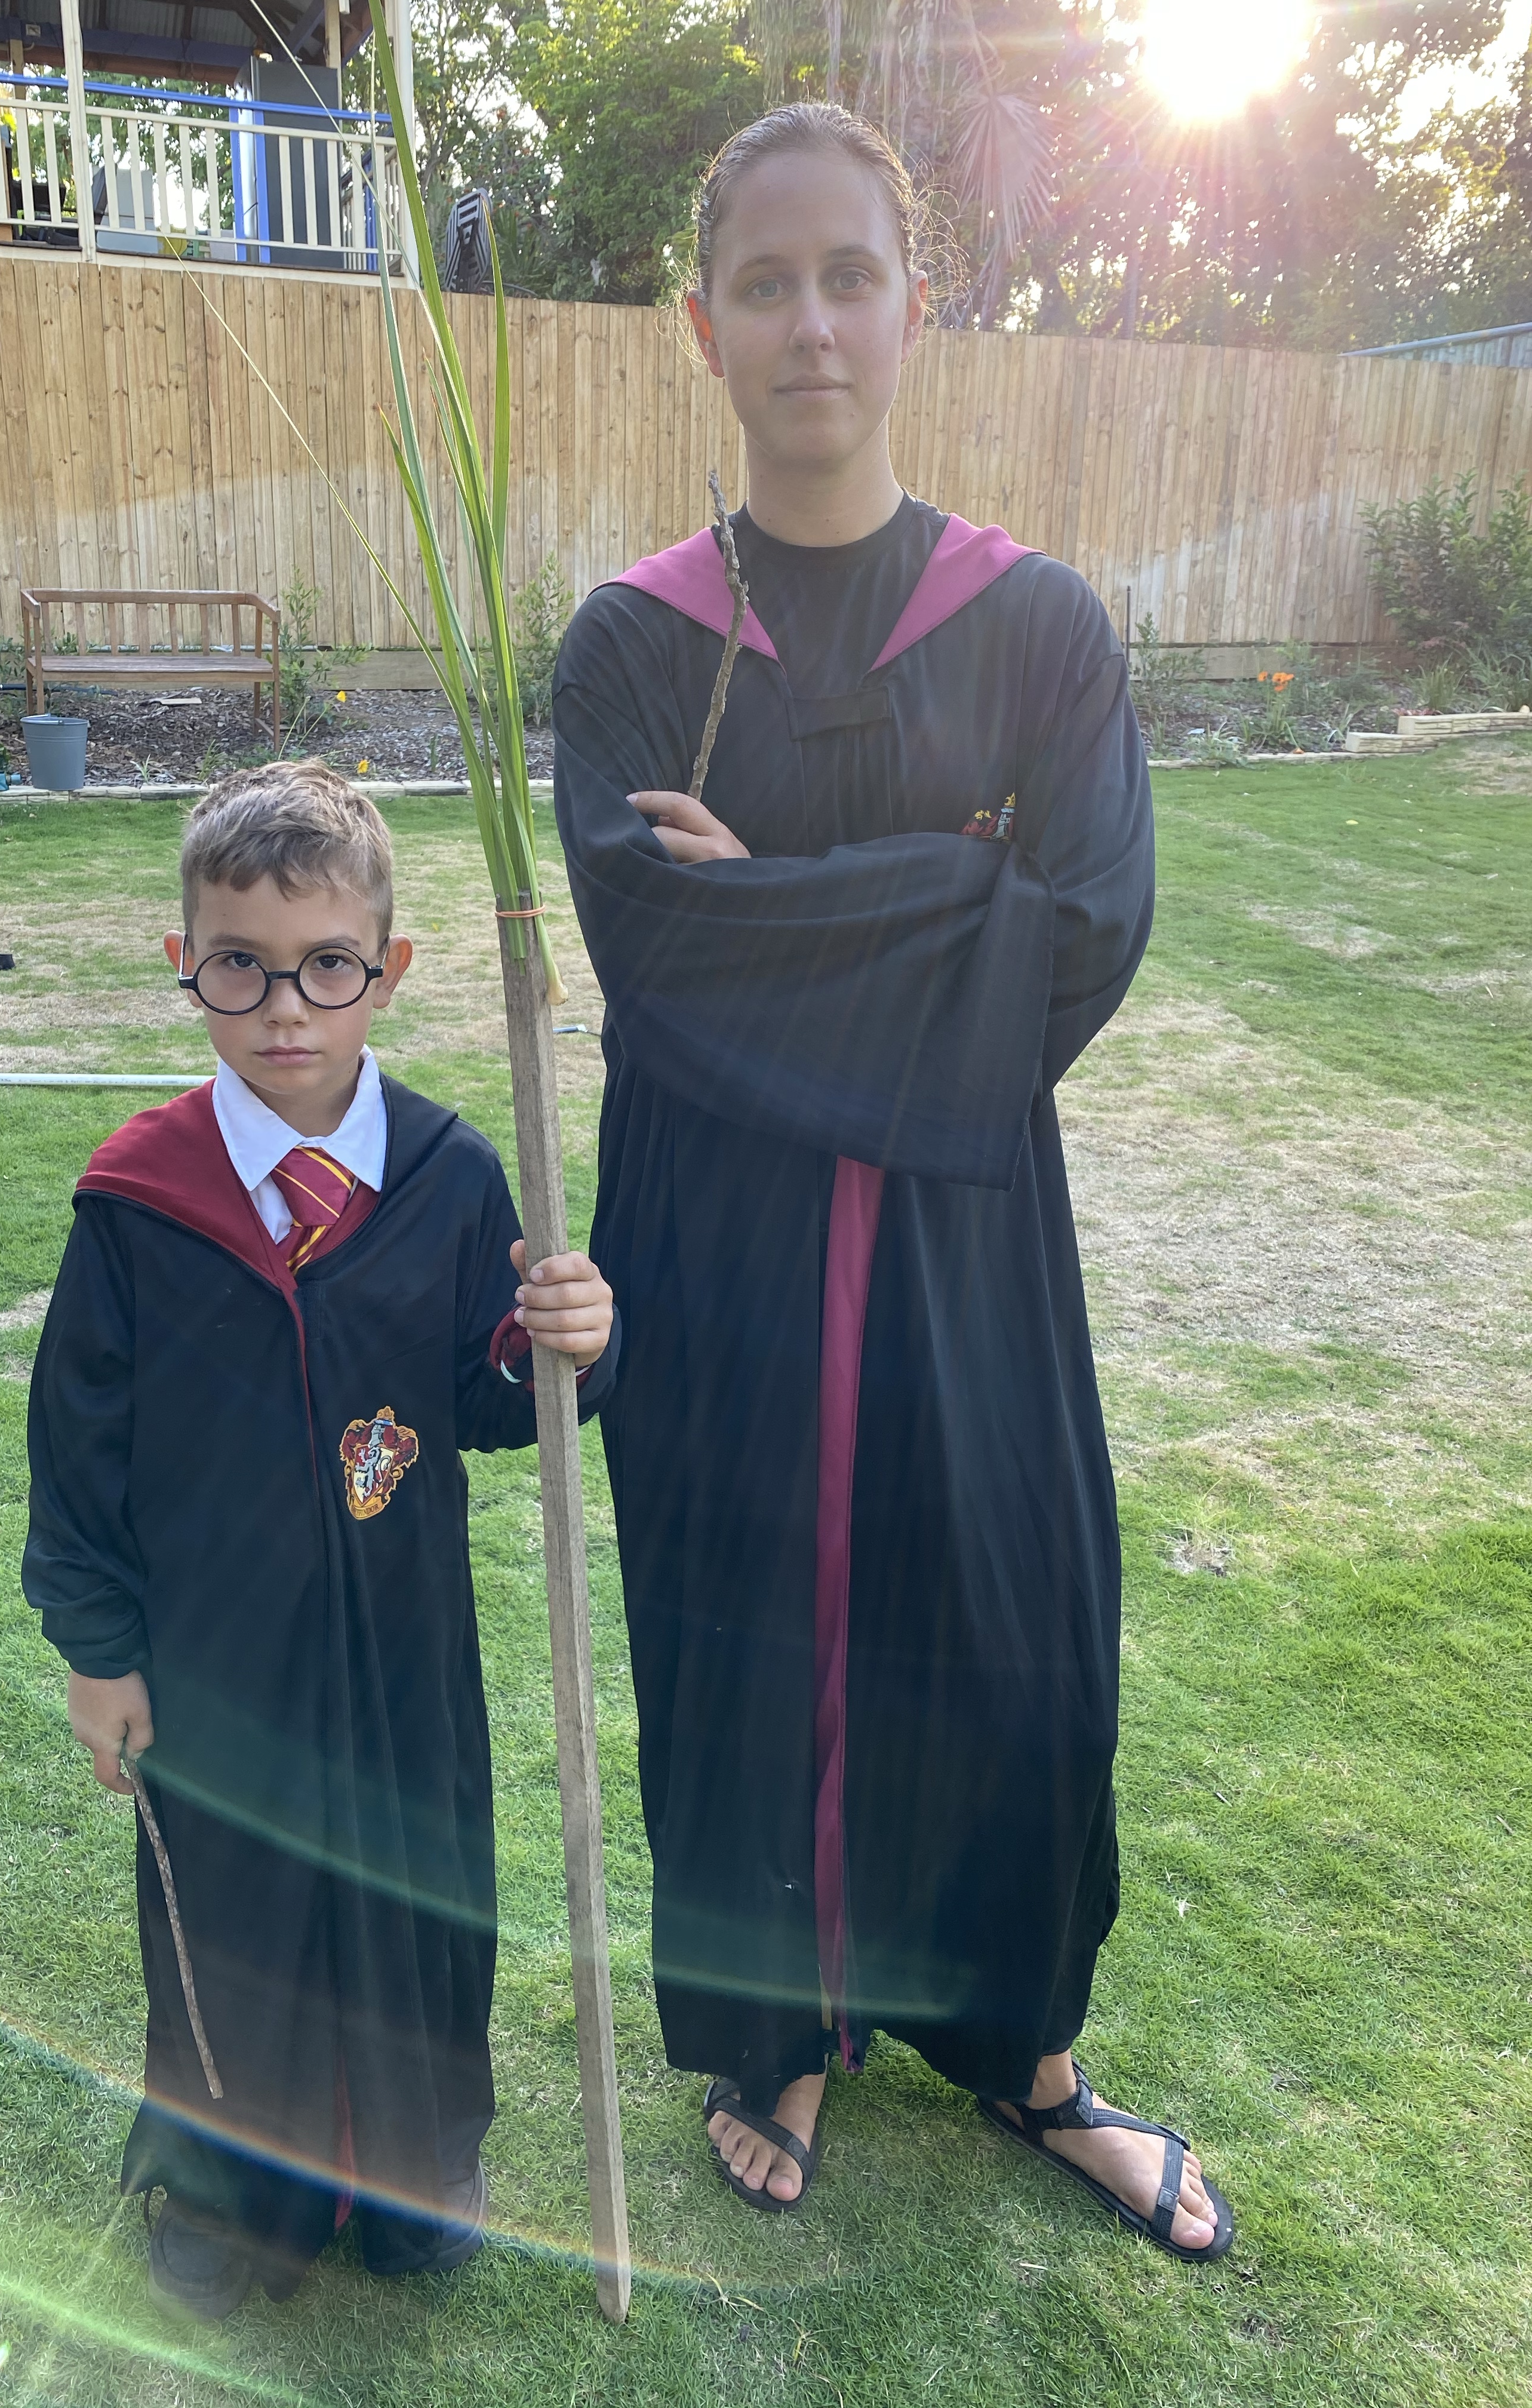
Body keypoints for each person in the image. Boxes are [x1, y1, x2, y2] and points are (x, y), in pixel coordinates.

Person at [554, 104, 1232, 2261]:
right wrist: (950, 882)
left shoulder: (1034, 627)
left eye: (850, 276)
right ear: (703, 324)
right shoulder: (633, 644)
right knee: (740, 1621)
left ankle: (1029, 2050)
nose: (812, 324)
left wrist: (791, 898)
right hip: (716, 1236)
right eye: (765, 284)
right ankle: (775, 2035)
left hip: (964, 1232)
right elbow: (655, 945)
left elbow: (1088, 929)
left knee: (1018, 1622)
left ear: (916, 305)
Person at [22, 763, 619, 2317]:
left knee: (419, 1900)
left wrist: (560, 1342)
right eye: (242, 965)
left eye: (328, 966)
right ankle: (240, 2207)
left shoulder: (448, 1178)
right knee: (231, 1926)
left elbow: (489, 1397)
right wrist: (100, 1655)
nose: (286, 1007)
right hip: (217, 1664)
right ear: (188, 965)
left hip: (403, 1656)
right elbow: (77, 1455)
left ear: (389, 970)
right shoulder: (138, 1205)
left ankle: (420, 2176)